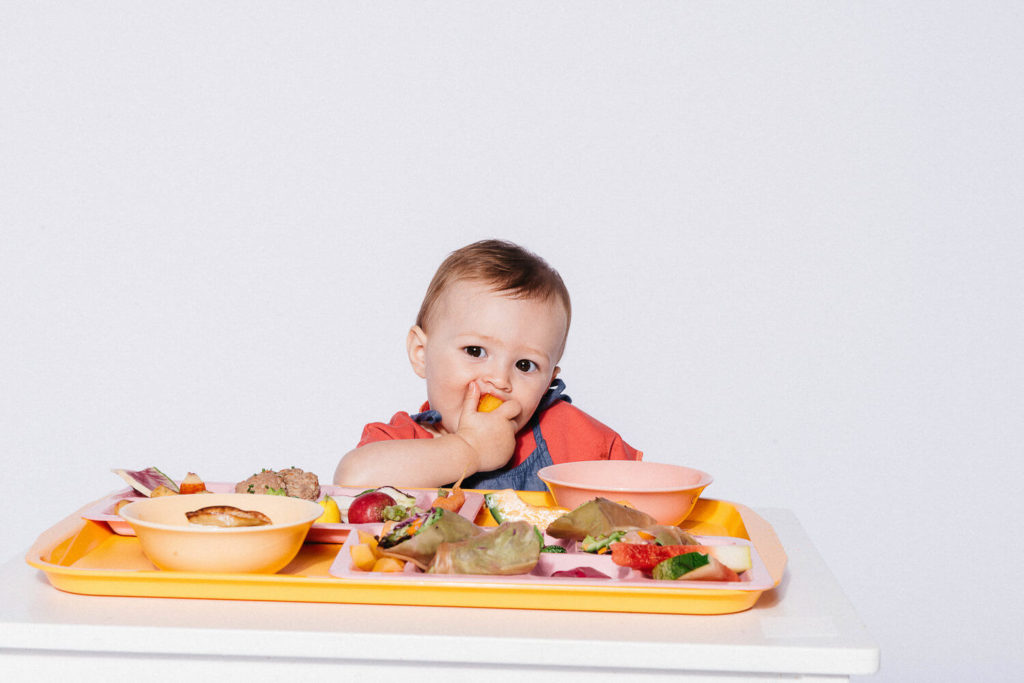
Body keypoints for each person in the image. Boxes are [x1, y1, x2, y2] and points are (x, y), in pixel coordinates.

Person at [333, 239, 641, 490]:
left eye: (524, 365)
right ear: (421, 353)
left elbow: (647, 495)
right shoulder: (402, 441)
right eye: (475, 351)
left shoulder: (568, 434)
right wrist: (470, 450)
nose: (499, 379)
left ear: (548, 382)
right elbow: (352, 480)